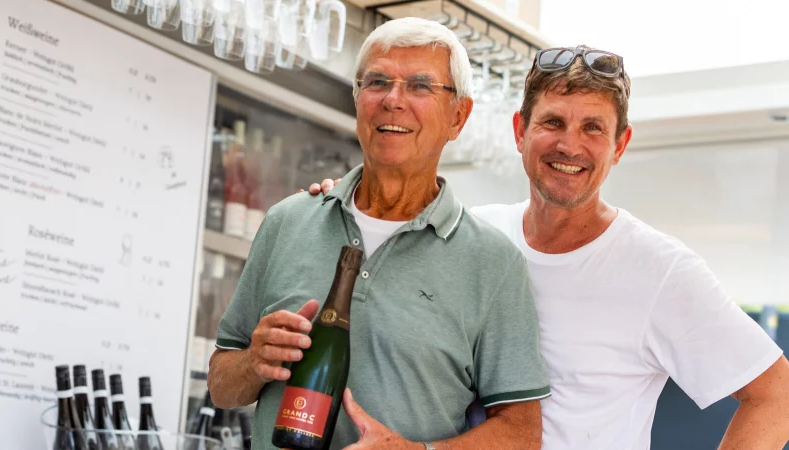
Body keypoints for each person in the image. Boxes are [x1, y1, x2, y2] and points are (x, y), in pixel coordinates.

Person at [308, 45, 789, 449]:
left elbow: (777, 392)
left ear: (620, 146)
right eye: (553, 122)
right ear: (520, 131)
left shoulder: (661, 270)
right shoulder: (474, 234)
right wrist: (346, 205)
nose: (569, 145)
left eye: (593, 129)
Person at [207, 17, 551, 450]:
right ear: (357, 100)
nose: (393, 100)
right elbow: (222, 384)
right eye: (377, 82)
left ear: (458, 116)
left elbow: (522, 433)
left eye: (421, 86)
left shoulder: (493, 263)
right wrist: (253, 363)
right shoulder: (286, 221)